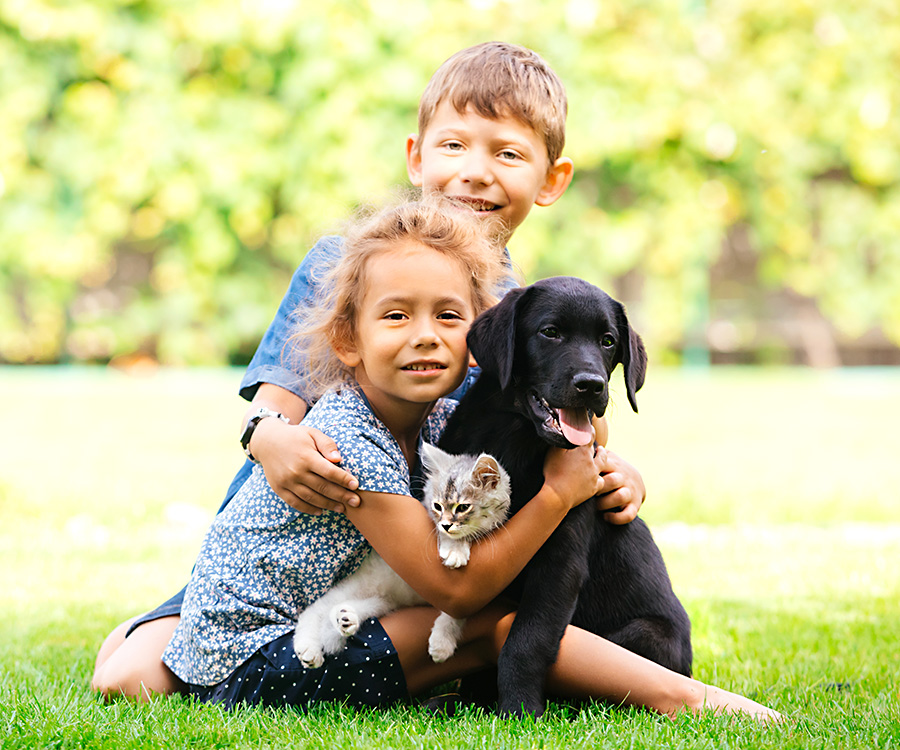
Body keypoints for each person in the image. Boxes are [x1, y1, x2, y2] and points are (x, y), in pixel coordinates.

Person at [92, 42, 648, 702]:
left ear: (550, 180)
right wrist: (271, 441)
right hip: (302, 547)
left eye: (507, 153)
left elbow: (570, 426)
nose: (475, 173)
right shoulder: (348, 262)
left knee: (477, 617)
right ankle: (165, 622)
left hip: (417, 550)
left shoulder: (524, 307)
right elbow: (272, 409)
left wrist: (614, 471)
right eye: (453, 147)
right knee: (126, 679)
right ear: (416, 157)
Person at [156, 197, 781, 720]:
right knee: (490, 624)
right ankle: (691, 700)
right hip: (255, 664)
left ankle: (663, 687)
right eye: (397, 315)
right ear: (349, 340)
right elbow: (456, 589)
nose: (425, 334)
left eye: (448, 316)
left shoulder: (434, 421)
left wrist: (606, 465)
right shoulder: (348, 433)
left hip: (309, 630)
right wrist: (562, 491)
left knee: (494, 621)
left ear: (477, 341)